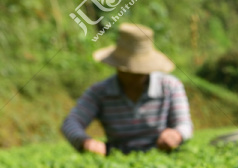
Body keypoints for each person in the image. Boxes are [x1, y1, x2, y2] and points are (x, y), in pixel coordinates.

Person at [61, 23, 193, 156]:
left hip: (162, 156)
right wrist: (86, 142)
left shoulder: (170, 86)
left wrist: (176, 134)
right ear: (117, 66)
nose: (134, 75)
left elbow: (185, 125)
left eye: (139, 70)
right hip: (116, 160)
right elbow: (71, 123)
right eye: (128, 70)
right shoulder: (100, 92)